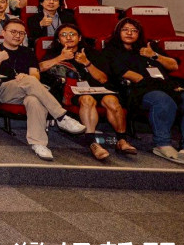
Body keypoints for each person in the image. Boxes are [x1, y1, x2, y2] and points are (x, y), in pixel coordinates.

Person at [0, 19, 87, 160]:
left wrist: (27, 78)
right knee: (29, 82)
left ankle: (39, 143)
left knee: (34, 99)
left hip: (25, 90)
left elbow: (35, 75)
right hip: (2, 91)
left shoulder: (28, 52)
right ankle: (61, 117)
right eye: (13, 32)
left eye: (21, 33)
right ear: (3, 33)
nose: (17, 36)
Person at [102, 18, 184, 164]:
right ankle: (162, 143)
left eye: (134, 30)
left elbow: (173, 66)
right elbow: (132, 76)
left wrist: (154, 55)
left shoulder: (149, 47)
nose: (130, 33)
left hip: (165, 87)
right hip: (137, 90)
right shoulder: (111, 51)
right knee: (162, 100)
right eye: (125, 30)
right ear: (118, 32)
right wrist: (164, 85)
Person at [39, 23, 136, 160]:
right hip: (73, 91)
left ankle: (121, 140)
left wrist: (87, 63)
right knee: (87, 99)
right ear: (58, 40)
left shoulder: (92, 53)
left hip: (98, 89)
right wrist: (60, 58)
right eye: (64, 35)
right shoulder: (54, 53)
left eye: (72, 34)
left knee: (111, 100)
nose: (68, 38)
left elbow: (103, 79)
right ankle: (92, 142)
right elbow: (40, 68)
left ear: (79, 38)